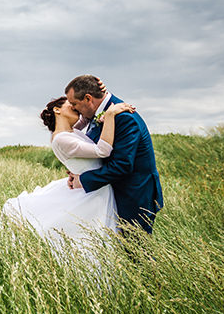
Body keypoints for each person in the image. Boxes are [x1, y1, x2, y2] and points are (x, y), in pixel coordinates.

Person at [1, 94, 135, 264]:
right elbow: (103, 151)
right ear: (57, 110)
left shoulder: (70, 131)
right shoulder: (62, 139)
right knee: (91, 244)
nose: (75, 107)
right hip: (92, 194)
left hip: (95, 188)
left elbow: (86, 119)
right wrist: (109, 116)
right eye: (71, 105)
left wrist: (99, 111)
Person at [64, 75, 163, 234]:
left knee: (136, 252)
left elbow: (122, 165)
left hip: (133, 196)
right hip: (114, 193)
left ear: (88, 98)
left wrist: (82, 180)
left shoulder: (123, 117)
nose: (74, 108)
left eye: (75, 104)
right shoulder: (96, 112)